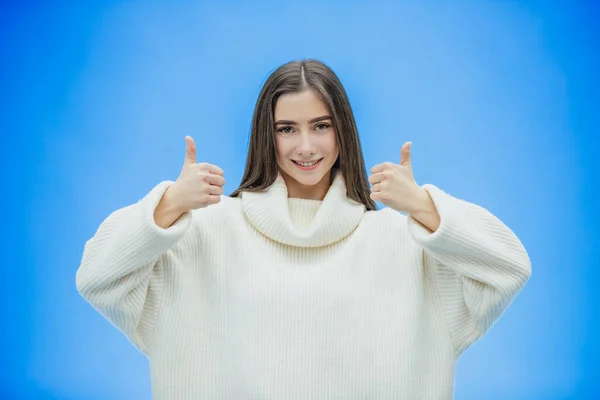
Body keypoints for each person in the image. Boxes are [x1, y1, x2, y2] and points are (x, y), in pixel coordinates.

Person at [76, 59, 532, 399]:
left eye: (321, 126)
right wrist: (169, 205)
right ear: (264, 135)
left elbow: (508, 267)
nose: (306, 146)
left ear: (343, 133)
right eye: (287, 129)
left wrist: (426, 208)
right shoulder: (205, 234)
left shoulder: (399, 241)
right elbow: (97, 275)